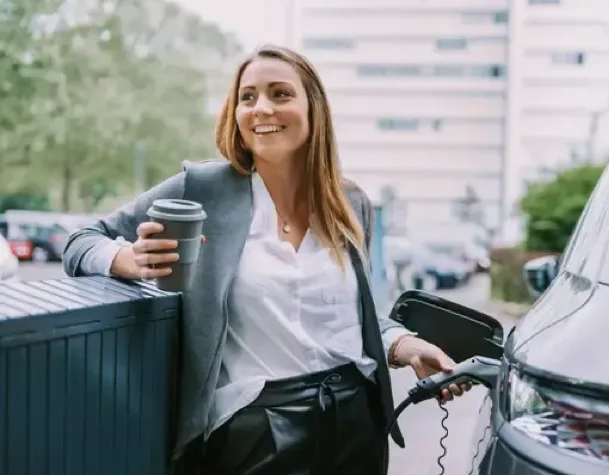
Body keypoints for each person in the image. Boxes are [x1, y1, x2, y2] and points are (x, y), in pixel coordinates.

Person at [62, 44, 469, 475]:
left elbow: (354, 317)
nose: (261, 108)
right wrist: (127, 259)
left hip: (356, 419)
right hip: (256, 430)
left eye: (280, 94)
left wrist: (405, 346)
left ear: (314, 110)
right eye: (248, 96)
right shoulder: (202, 189)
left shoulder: (350, 204)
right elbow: (80, 241)